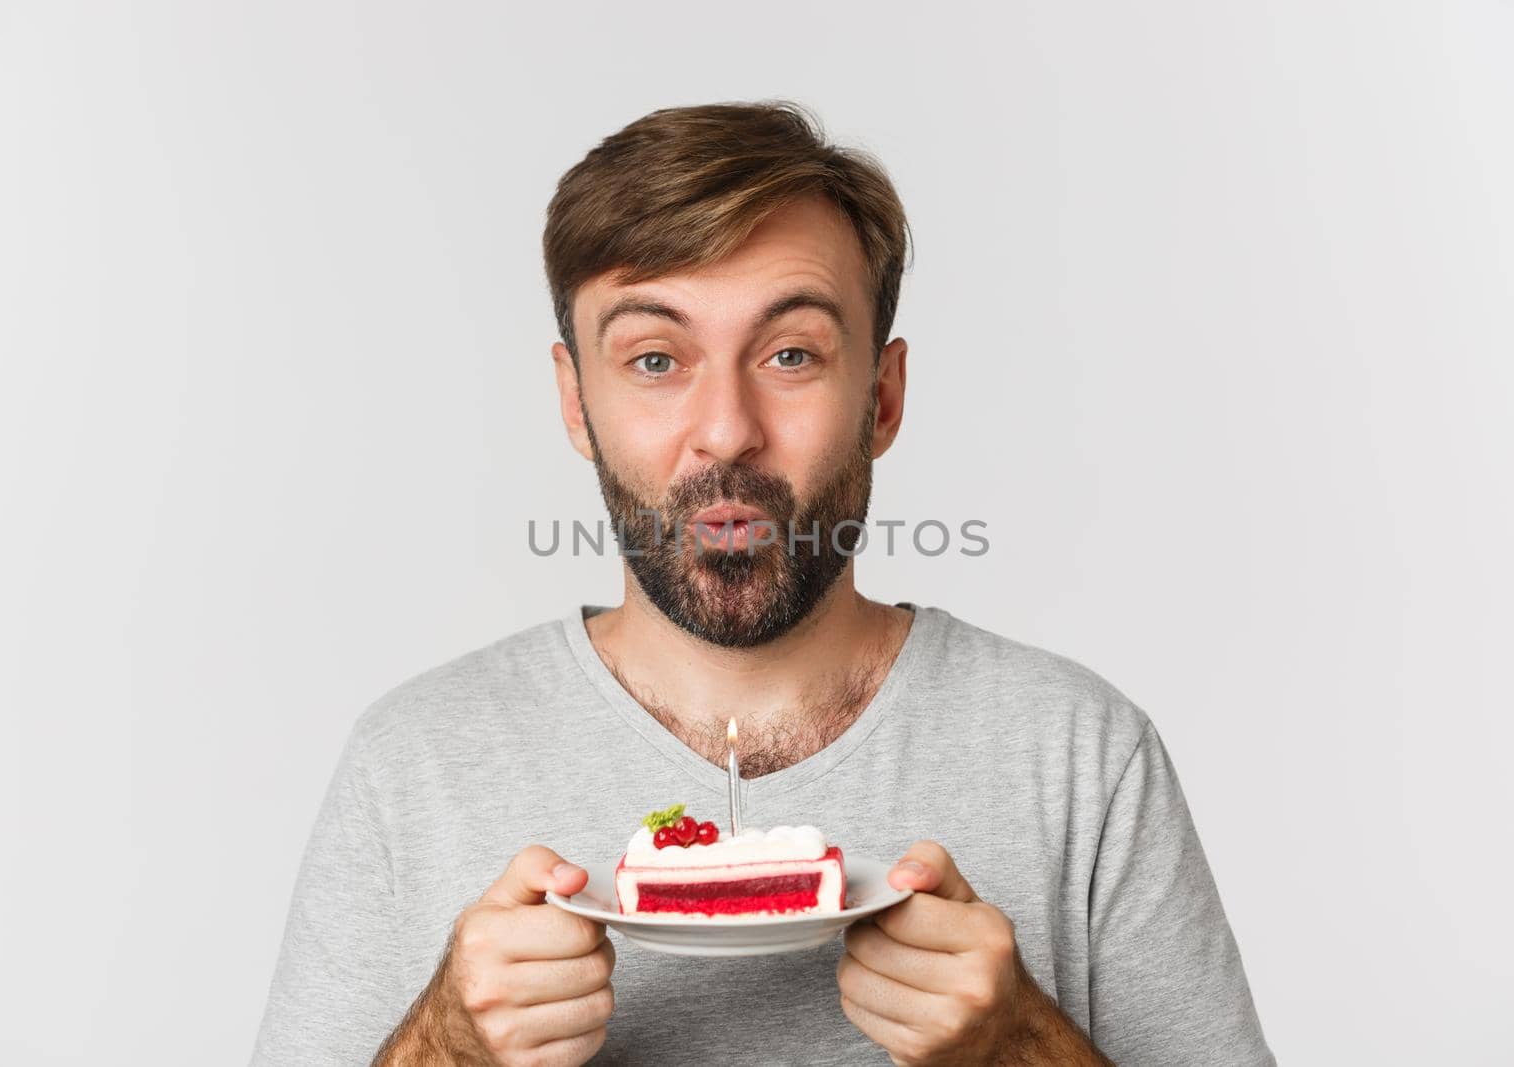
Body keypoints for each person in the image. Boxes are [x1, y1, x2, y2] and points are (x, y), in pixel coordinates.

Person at [251, 101, 1274, 1066]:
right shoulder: (414, 761)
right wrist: (446, 1046)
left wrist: (1018, 1046)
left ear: (882, 396)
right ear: (575, 401)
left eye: (790, 353)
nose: (727, 427)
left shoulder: (1080, 753)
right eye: (655, 358)